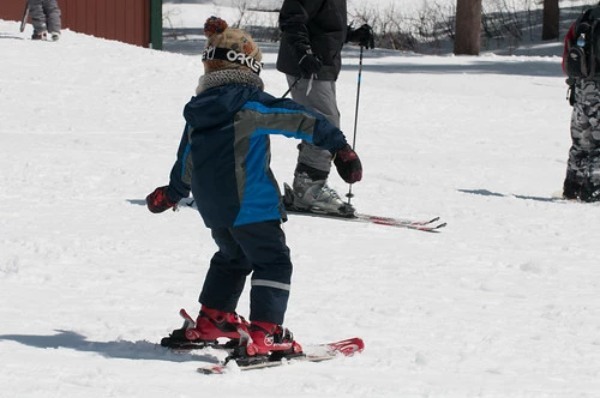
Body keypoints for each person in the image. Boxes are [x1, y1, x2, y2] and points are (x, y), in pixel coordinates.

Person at [145, 17, 362, 358]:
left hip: (214, 209)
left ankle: (213, 319)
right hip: (251, 204)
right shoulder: (249, 105)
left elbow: (186, 159)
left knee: (233, 257)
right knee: (273, 261)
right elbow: (301, 118)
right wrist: (340, 147)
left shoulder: (198, 113)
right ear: (249, 67)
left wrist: (171, 193)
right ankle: (265, 331)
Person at [276, 0, 374, 216]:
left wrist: (350, 34)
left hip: (321, 65)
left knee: (325, 121)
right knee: (323, 123)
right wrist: (303, 52)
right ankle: (309, 190)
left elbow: (321, 24)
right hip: (306, 67)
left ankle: (309, 185)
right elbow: (292, 16)